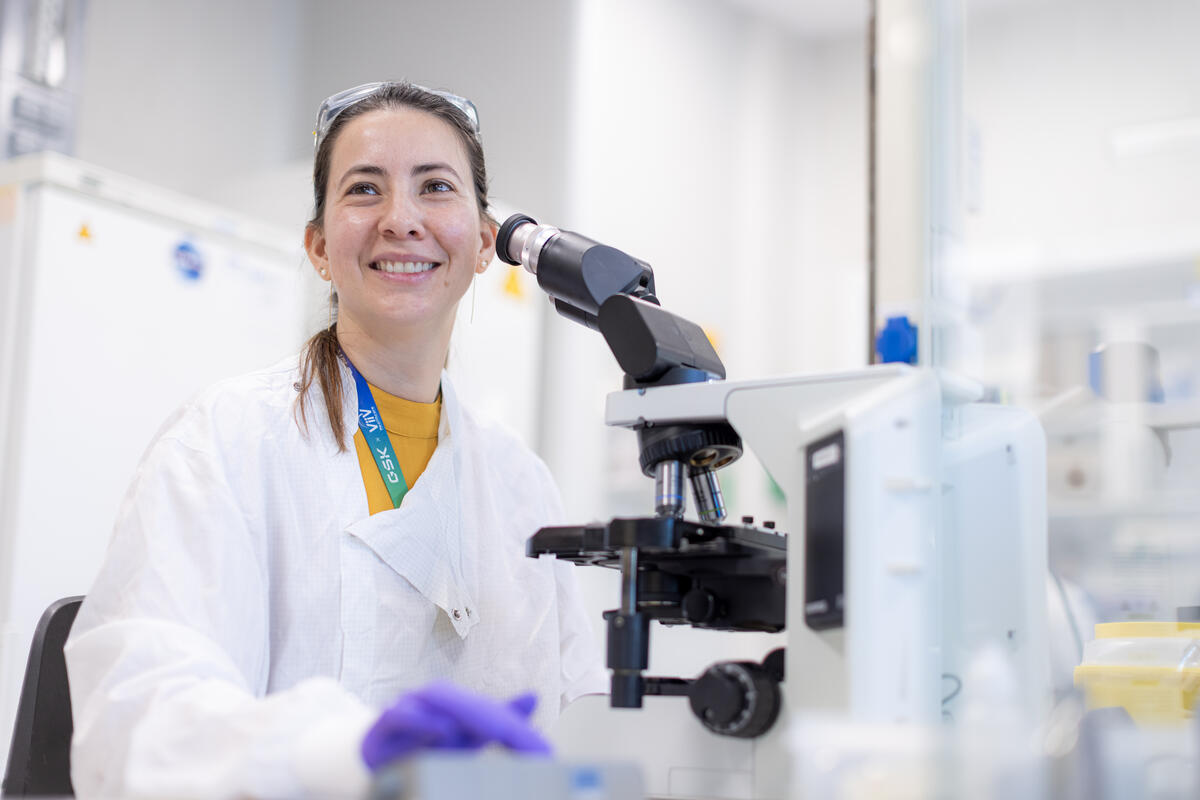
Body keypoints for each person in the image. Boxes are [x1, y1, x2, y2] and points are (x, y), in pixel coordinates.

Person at [64, 81, 605, 799]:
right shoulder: (224, 441)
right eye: (364, 190)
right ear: (319, 247)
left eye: (435, 187)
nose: (400, 219)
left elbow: (577, 707)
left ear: (482, 245)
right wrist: (330, 754)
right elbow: (142, 712)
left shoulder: (520, 483)